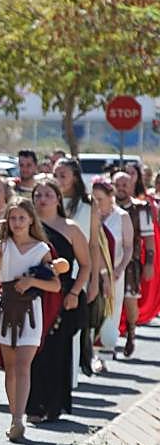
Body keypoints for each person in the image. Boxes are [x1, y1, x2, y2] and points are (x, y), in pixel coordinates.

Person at [0, 199, 61, 441]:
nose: (17, 223)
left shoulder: (42, 249)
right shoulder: (4, 245)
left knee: (23, 365)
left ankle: (17, 419)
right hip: (6, 308)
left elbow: (54, 285)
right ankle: (14, 415)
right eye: (13, 218)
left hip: (30, 311)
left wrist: (32, 282)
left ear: (31, 219)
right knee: (10, 367)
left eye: (22, 218)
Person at [24, 177, 90, 424]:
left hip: (62, 296)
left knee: (55, 350)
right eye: (38, 195)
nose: (42, 199)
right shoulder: (27, 226)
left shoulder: (71, 228)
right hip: (32, 295)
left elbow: (85, 265)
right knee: (31, 350)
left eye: (47, 195)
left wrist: (74, 293)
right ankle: (31, 404)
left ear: (58, 199)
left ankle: (52, 404)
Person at [54, 157, 101, 378]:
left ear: (74, 177)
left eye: (63, 175)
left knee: (73, 328)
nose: (59, 179)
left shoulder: (88, 205)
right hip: (52, 273)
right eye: (56, 175)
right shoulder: (48, 202)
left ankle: (70, 377)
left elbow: (93, 245)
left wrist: (95, 280)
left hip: (77, 275)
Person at [89, 177, 129, 371]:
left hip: (114, 274)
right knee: (91, 311)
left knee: (110, 311)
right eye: (93, 198)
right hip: (92, 272)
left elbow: (128, 247)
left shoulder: (121, 217)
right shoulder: (89, 216)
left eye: (100, 199)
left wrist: (120, 268)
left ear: (110, 197)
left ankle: (103, 354)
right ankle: (88, 352)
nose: (96, 202)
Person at [115, 166, 154, 357]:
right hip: (108, 262)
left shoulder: (141, 208)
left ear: (132, 186)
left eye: (125, 184)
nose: (121, 188)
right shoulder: (104, 207)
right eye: (118, 185)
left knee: (130, 301)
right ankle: (107, 339)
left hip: (131, 263)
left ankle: (131, 332)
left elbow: (149, 237)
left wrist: (149, 263)